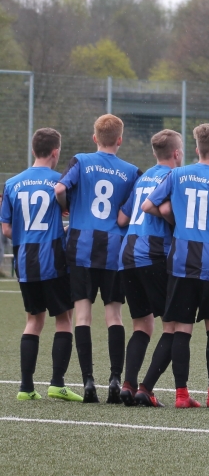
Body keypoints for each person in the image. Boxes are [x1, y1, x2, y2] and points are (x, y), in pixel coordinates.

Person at [143, 123, 209, 408]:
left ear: (196, 150)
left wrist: (179, 222)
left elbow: (150, 205)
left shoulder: (176, 174)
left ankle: (181, 395)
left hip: (181, 258)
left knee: (182, 328)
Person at [55, 114, 141, 403]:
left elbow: (59, 189)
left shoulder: (80, 160)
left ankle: (88, 381)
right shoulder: (132, 171)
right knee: (114, 315)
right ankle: (115, 378)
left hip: (81, 246)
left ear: (95, 138)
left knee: (82, 315)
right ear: (120, 140)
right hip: (114, 249)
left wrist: (66, 207)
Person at [1, 128, 81, 402]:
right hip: (53, 258)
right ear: (55, 152)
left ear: (33, 150)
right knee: (64, 319)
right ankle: (57, 384)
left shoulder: (12, 183)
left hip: (25, 261)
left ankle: (25, 388)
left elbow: (7, 229)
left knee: (33, 320)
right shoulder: (59, 181)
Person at [116, 129, 184, 407]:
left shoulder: (142, 179)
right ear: (177, 153)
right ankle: (146, 389)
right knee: (174, 326)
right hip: (154, 253)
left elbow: (122, 219)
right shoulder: (174, 177)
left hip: (127, 255)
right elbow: (166, 211)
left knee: (142, 325)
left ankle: (127, 385)